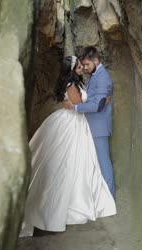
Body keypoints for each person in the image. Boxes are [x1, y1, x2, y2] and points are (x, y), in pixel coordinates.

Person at [19, 56, 116, 237]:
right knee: (70, 161)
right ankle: (62, 204)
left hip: (75, 120)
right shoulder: (72, 85)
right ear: (72, 70)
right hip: (73, 123)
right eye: (79, 67)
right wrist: (101, 102)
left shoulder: (75, 83)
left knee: (78, 161)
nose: (82, 69)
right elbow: (79, 105)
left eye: (82, 66)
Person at [63, 46, 115, 197]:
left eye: (87, 64)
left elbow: (97, 106)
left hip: (99, 127)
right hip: (92, 125)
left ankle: (110, 197)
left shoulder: (103, 77)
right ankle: (101, 196)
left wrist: (75, 107)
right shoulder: (96, 75)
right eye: (83, 65)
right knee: (97, 162)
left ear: (96, 60)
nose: (85, 68)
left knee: (104, 162)